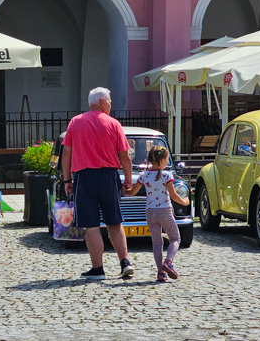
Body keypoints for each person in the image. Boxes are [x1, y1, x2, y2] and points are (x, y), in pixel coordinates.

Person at [62, 87, 135, 280]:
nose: (110, 104)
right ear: (102, 102)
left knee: (91, 225)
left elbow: (67, 153)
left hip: (84, 177)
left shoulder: (75, 122)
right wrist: (128, 179)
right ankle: (124, 262)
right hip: (108, 176)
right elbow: (125, 156)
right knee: (114, 222)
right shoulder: (113, 124)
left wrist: (67, 179)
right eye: (109, 101)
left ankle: (98, 268)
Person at [125, 146, 189, 283]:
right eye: (166, 160)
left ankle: (160, 272)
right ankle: (169, 262)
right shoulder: (167, 175)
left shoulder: (144, 175)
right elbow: (173, 195)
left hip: (150, 212)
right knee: (175, 238)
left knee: (157, 243)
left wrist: (126, 189)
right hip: (165, 211)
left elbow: (132, 192)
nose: (167, 162)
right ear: (162, 161)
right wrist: (184, 202)